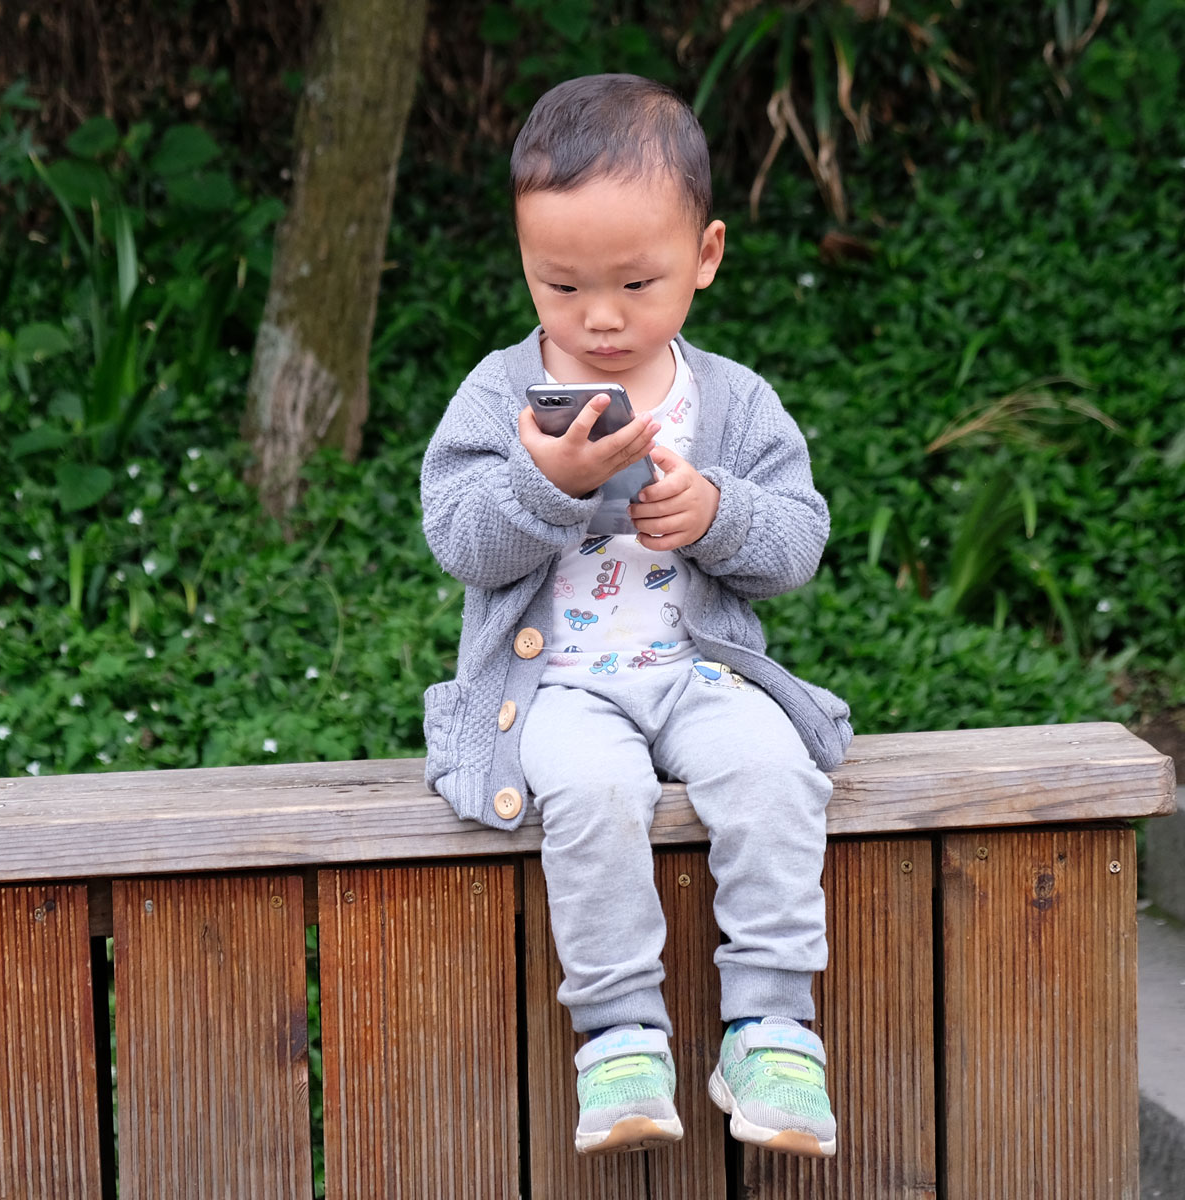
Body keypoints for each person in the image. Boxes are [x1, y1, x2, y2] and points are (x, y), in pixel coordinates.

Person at [419, 74, 852, 1159]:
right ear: (523, 260)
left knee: (773, 771)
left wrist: (714, 514)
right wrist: (546, 482)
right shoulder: (498, 394)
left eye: (634, 282)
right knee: (596, 793)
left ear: (704, 257)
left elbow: (796, 542)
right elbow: (458, 539)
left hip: (700, 674)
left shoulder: (736, 402)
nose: (598, 317)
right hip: (555, 686)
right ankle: (619, 1036)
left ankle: (773, 1026)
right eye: (558, 285)